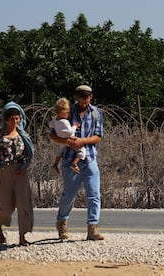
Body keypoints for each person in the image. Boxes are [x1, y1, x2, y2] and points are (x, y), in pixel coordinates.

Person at [50, 84, 104, 241]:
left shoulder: (96, 113)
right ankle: (62, 223)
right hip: (69, 158)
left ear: (91, 97)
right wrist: (68, 141)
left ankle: (92, 228)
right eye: (80, 97)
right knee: (69, 195)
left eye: (86, 97)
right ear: (76, 97)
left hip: (90, 157)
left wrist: (82, 141)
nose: (83, 100)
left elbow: (98, 136)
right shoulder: (68, 111)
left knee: (94, 194)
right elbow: (53, 135)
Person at [0, 101, 35, 246]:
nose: (15, 122)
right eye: (12, 119)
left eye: (17, 118)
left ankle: (22, 236)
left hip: (20, 171)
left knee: (23, 204)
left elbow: (29, 153)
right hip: (3, 172)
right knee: (7, 207)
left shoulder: (23, 135)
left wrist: (25, 166)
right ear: (5, 120)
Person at [49, 97, 86, 176]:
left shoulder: (55, 120)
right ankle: (74, 163)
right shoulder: (65, 122)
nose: (68, 114)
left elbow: (50, 125)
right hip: (69, 139)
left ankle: (55, 164)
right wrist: (75, 126)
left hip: (60, 140)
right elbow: (70, 132)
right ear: (61, 112)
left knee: (59, 152)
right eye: (67, 112)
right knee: (82, 150)